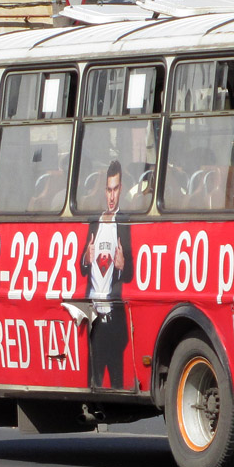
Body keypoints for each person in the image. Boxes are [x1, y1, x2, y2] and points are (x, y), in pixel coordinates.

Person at [79, 159, 133, 389]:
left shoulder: (124, 224)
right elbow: (81, 266)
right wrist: (86, 258)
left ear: (121, 190)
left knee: (118, 385)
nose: (111, 197)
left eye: (116, 190)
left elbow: (131, 273)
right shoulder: (95, 223)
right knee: (94, 385)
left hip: (114, 319)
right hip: (93, 319)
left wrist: (123, 265)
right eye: (108, 190)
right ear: (105, 191)